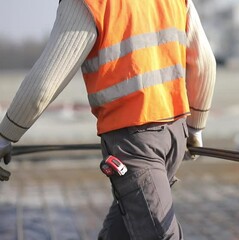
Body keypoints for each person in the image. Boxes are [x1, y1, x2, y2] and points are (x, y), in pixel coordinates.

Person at [0, 0, 216, 239]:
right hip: (175, 136)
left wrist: (4, 135)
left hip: (135, 147)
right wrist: (195, 128)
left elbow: (41, 89)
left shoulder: (90, 3)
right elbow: (205, 64)